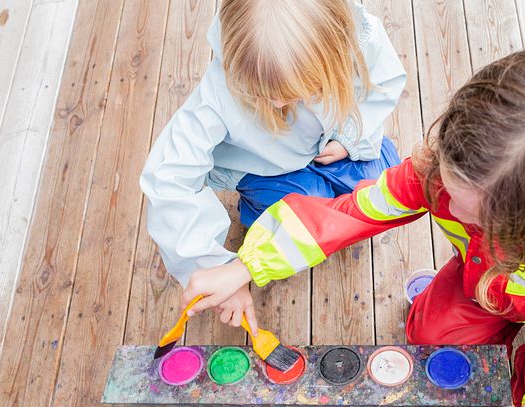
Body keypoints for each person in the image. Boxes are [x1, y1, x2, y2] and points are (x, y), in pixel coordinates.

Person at [182, 48, 525, 407]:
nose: (446, 205)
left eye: (471, 213)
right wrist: (246, 263)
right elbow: (354, 211)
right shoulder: (446, 171)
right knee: (430, 343)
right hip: (481, 286)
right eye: (447, 185)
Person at [140, 0, 406, 331]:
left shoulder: (357, 36)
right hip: (267, 168)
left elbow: (383, 80)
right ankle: (259, 211)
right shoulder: (218, 94)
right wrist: (216, 266)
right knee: (305, 208)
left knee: (382, 187)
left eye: (303, 91)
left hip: (333, 142)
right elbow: (168, 179)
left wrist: (351, 138)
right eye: (266, 95)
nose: (279, 104)